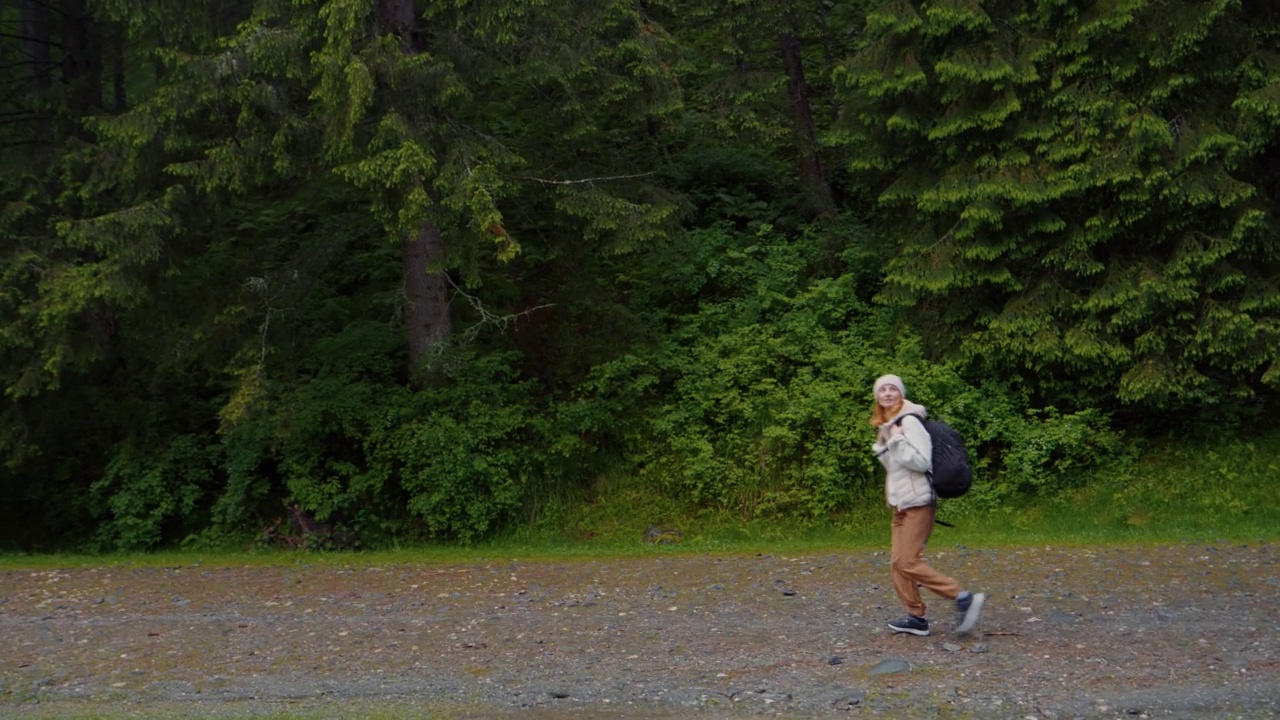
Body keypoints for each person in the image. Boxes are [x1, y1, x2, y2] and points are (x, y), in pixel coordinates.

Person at [870, 374, 985, 637]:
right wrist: (884, 446)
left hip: (918, 502)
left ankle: (962, 596)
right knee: (898, 563)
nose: (887, 393)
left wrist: (897, 440)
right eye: (882, 390)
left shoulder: (910, 422)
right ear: (877, 396)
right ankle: (916, 617)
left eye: (893, 389)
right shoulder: (889, 425)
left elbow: (922, 463)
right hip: (900, 504)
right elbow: (896, 468)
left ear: (901, 394)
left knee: (908, 561)